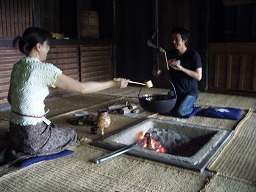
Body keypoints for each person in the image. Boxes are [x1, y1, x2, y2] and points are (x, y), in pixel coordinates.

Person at [0, 27, 129, 168]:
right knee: (71, 135)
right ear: (38, 46)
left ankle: (25, 146)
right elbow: (82, 88)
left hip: (14, 132)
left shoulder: (17, 66)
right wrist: (114, 83)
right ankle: (28, 151)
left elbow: (11, 99)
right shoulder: (44, 69)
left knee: (54, 128)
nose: (48, 49)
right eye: (47, 45)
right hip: (32, 137)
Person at [153, 26, 202, 116]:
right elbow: (157, 70)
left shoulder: (194, 55)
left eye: (177, 39)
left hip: (190, 92)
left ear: (184, 40)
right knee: (162, 108)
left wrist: (181, 68)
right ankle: (180, 103)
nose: (173, 41)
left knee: (180, 111)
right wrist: (159, 69)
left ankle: (193, 107)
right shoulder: (169, 54)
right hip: (175, 91)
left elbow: (198, 77)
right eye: (172, 39)